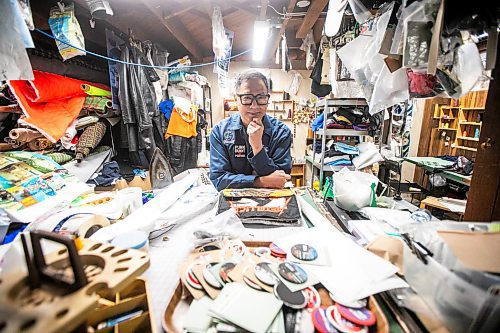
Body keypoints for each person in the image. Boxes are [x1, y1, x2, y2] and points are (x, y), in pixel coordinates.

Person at [209, 70, 292, 191]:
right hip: (231, 204)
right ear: (236, 99)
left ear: (267, 99)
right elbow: (219, 179)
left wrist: (257, 147)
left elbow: (280, 179)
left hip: (272, 203)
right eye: (247, 98)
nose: (254, 106)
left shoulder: (281, 132)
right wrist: (259, 182)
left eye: (261, 98)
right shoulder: (219, 132)